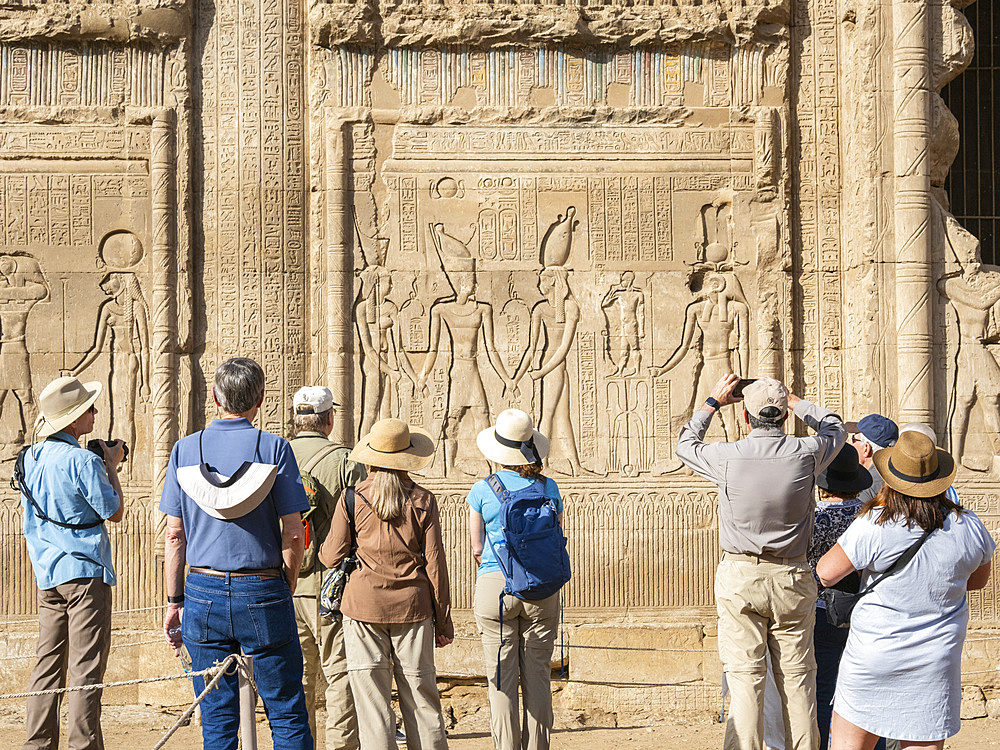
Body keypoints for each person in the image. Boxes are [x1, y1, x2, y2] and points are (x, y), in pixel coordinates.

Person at [676, 374, 846, 750]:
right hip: (792, 575)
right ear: (784, 416)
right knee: (798, 680)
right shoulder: (805, 453)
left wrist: (712, 403)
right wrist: (796, 399)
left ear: (746, 419)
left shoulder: (727, 456)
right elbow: (834, 427)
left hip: (742, 575)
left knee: (745, 680)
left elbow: (685, 444)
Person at [160, 357, 312, 749]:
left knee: (216, 716)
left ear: (214, 397)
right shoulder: (274, 448)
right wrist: (287, 580)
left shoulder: (184, 450)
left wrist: (174, 600)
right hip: (262, 586)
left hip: (202, 589)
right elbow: (294, 532)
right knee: (286, 710)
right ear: (260, 399)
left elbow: (174, 537)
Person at [817, 432, 995, 750]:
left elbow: (826, 574)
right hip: (935, 661)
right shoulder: (968, 526)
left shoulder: (875, 523)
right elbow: (977, 581)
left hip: (874, 656)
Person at [319, 418, 453, 750]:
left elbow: (331, 556)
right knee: (422, 701)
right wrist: (443, 617)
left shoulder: (353, 498)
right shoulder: (423, 500)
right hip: (414, 607)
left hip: (363, 607)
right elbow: (435, 562)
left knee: (373, 706)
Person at [19, 376, 126, 750]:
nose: (94, 412)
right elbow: (113, 511)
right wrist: (110, 464)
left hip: (48, 573)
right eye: (89, 409)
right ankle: (84, 745)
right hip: (84, 574)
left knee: (46, 666)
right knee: (85, 669)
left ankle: (38, 744)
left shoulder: (29, 459)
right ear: (74, 420)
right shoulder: (82, 460)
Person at [468, 409, 564, 750]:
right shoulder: (549, 487)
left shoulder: (482, 489)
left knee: (501, 679)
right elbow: (556, 538)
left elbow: (476, 546)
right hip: (540, 585)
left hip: (496, 585)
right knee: (538, 676)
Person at [289, 386, 364, 749]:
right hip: (334, 582)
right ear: (329, 419)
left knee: (297, 675)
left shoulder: (275, 456)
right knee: (340, 673)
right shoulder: (346, 460)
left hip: (285, 580)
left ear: (296, 419)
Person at [804, 444, 883, 750]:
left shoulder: (810, 518)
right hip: (865, 612)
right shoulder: (873, 518)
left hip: (821, 611)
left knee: (823, 691)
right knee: (868, 691)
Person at [844, 415, 898, 504]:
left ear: (866, 449)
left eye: (854, 439)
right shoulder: (902, 476)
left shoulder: (866, 486)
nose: (851, 444)